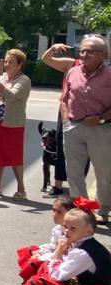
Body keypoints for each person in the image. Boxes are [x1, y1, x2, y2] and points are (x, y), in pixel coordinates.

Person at [17, 200, 111, 285]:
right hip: (85, 281)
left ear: (89, 231)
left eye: (73, 228)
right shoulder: (79, 241)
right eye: (65, 226)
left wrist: (58, 253)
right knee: (35, 259)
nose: (66, 231)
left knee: (36, 284)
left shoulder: (82, 252)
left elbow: (56, 276)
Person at [59, 35, 111, 221]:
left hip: (102, 129)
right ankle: (82, 209)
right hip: (74, 126)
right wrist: (66, 122)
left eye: (90, 51)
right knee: (74, 171)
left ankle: (104, 208)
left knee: (103, 171)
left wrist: (102, 119)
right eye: (82, 50)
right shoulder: (73, 72)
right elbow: (65, 99)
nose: (84, 54)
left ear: (103, 55)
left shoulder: (109, 74)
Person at [0, 49, 32, 200]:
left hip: (12, 124)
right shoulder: (3, 77)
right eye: (5, 61)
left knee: (14, 156)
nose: (7, 65)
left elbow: (11, 96)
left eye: (11, 62)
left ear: (20, 65)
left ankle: (21, 189)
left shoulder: (23, 80)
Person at [40, 43, 80, 195]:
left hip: (88, 116)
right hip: (67, 111)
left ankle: (78, 188)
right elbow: (46, 58)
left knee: (84, 152)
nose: (85, 55)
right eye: (83, 51)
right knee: (61, 149)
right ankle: (58, 185)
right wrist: (53, 48)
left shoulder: (102, 70)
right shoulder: (72, 64)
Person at [17, 194, 74, 282]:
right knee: (29, 252)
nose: (54, 215)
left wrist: (41, 257)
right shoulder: (58, 229)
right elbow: (53, 245)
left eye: (59, 212)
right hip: (57, 256)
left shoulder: (72, 233)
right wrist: (40, 252)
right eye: (54, 210)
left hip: (65, 263)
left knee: (37, 261)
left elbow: (65, 256)